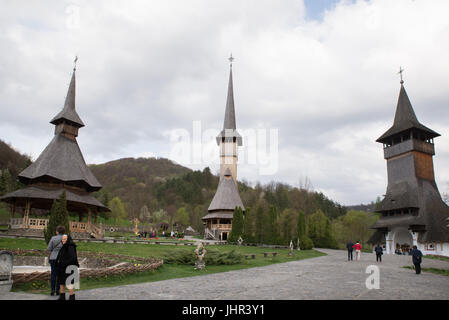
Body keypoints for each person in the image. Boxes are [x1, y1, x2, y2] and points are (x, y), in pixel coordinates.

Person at [56, 234, 79, 300]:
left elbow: (73, 258)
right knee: (61, 282)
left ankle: (72, 297)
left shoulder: (70, 246)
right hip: (62, 268)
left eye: (64, 239)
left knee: (69, 283)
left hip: (68, 268)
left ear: (68, 239)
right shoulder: (64, 246)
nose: (63, 240)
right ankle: (62, 297)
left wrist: (64, 263)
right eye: (62, 239)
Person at [46, 225, 65, 296]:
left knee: (53, 274)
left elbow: (49, 249)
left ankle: (52, 290)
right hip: (62, 259)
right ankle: (58, 290)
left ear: (57, 231)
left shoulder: (53, 238)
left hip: (53, 258)